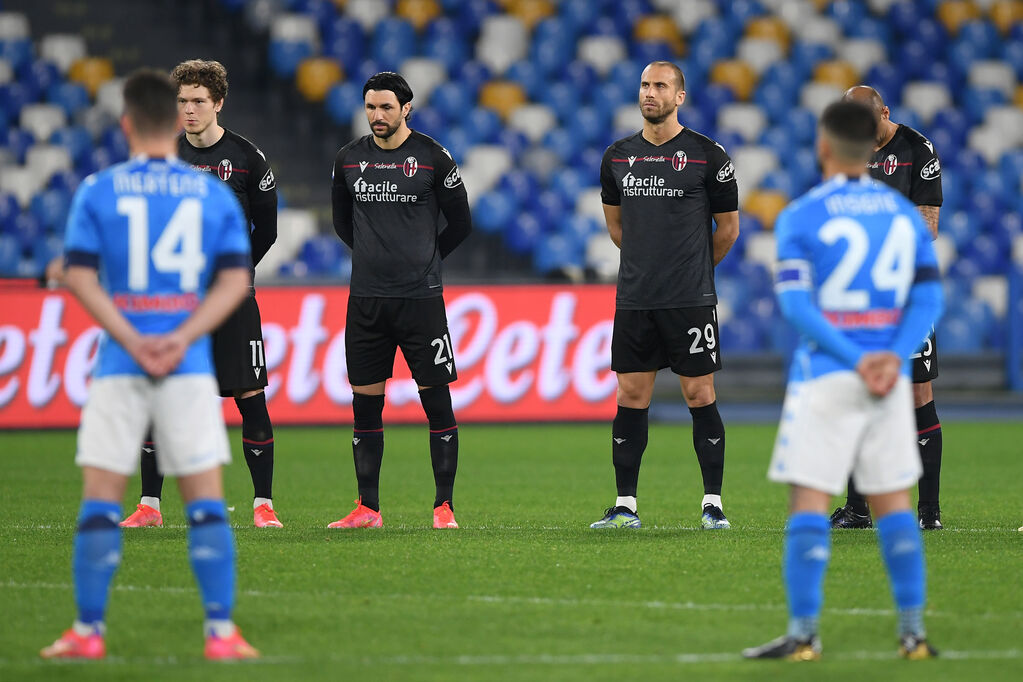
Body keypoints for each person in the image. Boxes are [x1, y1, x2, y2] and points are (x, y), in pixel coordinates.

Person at [41, 70, 258, 660]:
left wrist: (133, 339)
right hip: (186, 364)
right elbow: (236, 278)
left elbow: (79, 274)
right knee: (207, 503)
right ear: (174, 121)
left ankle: (88, 631)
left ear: (127, 125)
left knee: (101, 500)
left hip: (121, 363)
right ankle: (221, 633)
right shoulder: (210, 193)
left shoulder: (99, 190)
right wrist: (182, 333)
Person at [742, 100, 943, 661]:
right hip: (887, 375)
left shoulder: (802, 215)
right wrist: (890, 356)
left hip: (829, 375)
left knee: (808, 502)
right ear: (870, 148)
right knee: (895, 507)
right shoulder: (904, 217)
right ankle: (913, 635)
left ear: (824, 148)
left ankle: (804, 635)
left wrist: (854, 359)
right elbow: (929, 296)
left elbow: (796, 305)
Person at [120, 59, 282, 529]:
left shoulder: (248, 158)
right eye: (182, 101)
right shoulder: (164, 157)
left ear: (218, 104)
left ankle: (263, 505)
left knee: (250, 394)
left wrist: (233, 273)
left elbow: (266, 231)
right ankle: (149, 505)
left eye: (198, 102)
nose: (188, 110)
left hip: (231, 300)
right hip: (175, 302)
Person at [590, 61, 740, 530]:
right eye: (644, 85)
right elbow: (617, 228)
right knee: (630, 394)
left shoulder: (708, 156)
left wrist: (690, 271)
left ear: (680, 96)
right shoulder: (617, 156)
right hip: (636, 297)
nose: (649, 93)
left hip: (690, 299)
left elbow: (729, 229)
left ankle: (712, 504)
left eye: (660, 86)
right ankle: (625, 506)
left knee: (700, 392)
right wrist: (649, 265)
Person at [329, 71, 472, 529]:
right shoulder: (348, 160)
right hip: (366, 301)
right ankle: (367, 508)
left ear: (406, 108)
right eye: (370, 107)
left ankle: (443, 506)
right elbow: (341, 223)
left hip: (421, 301)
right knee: (365, 404)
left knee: (437, 402)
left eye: (386, 107)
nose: (377, 116)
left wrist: (425, 261)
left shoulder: (433, 157)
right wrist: (377, 259)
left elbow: (461, 222)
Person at [828, 85, 945, 531]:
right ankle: (858, 510)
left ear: (885, 113)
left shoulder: (918, 149)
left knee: (917, 394)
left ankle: (928, 512)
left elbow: (929, 225)